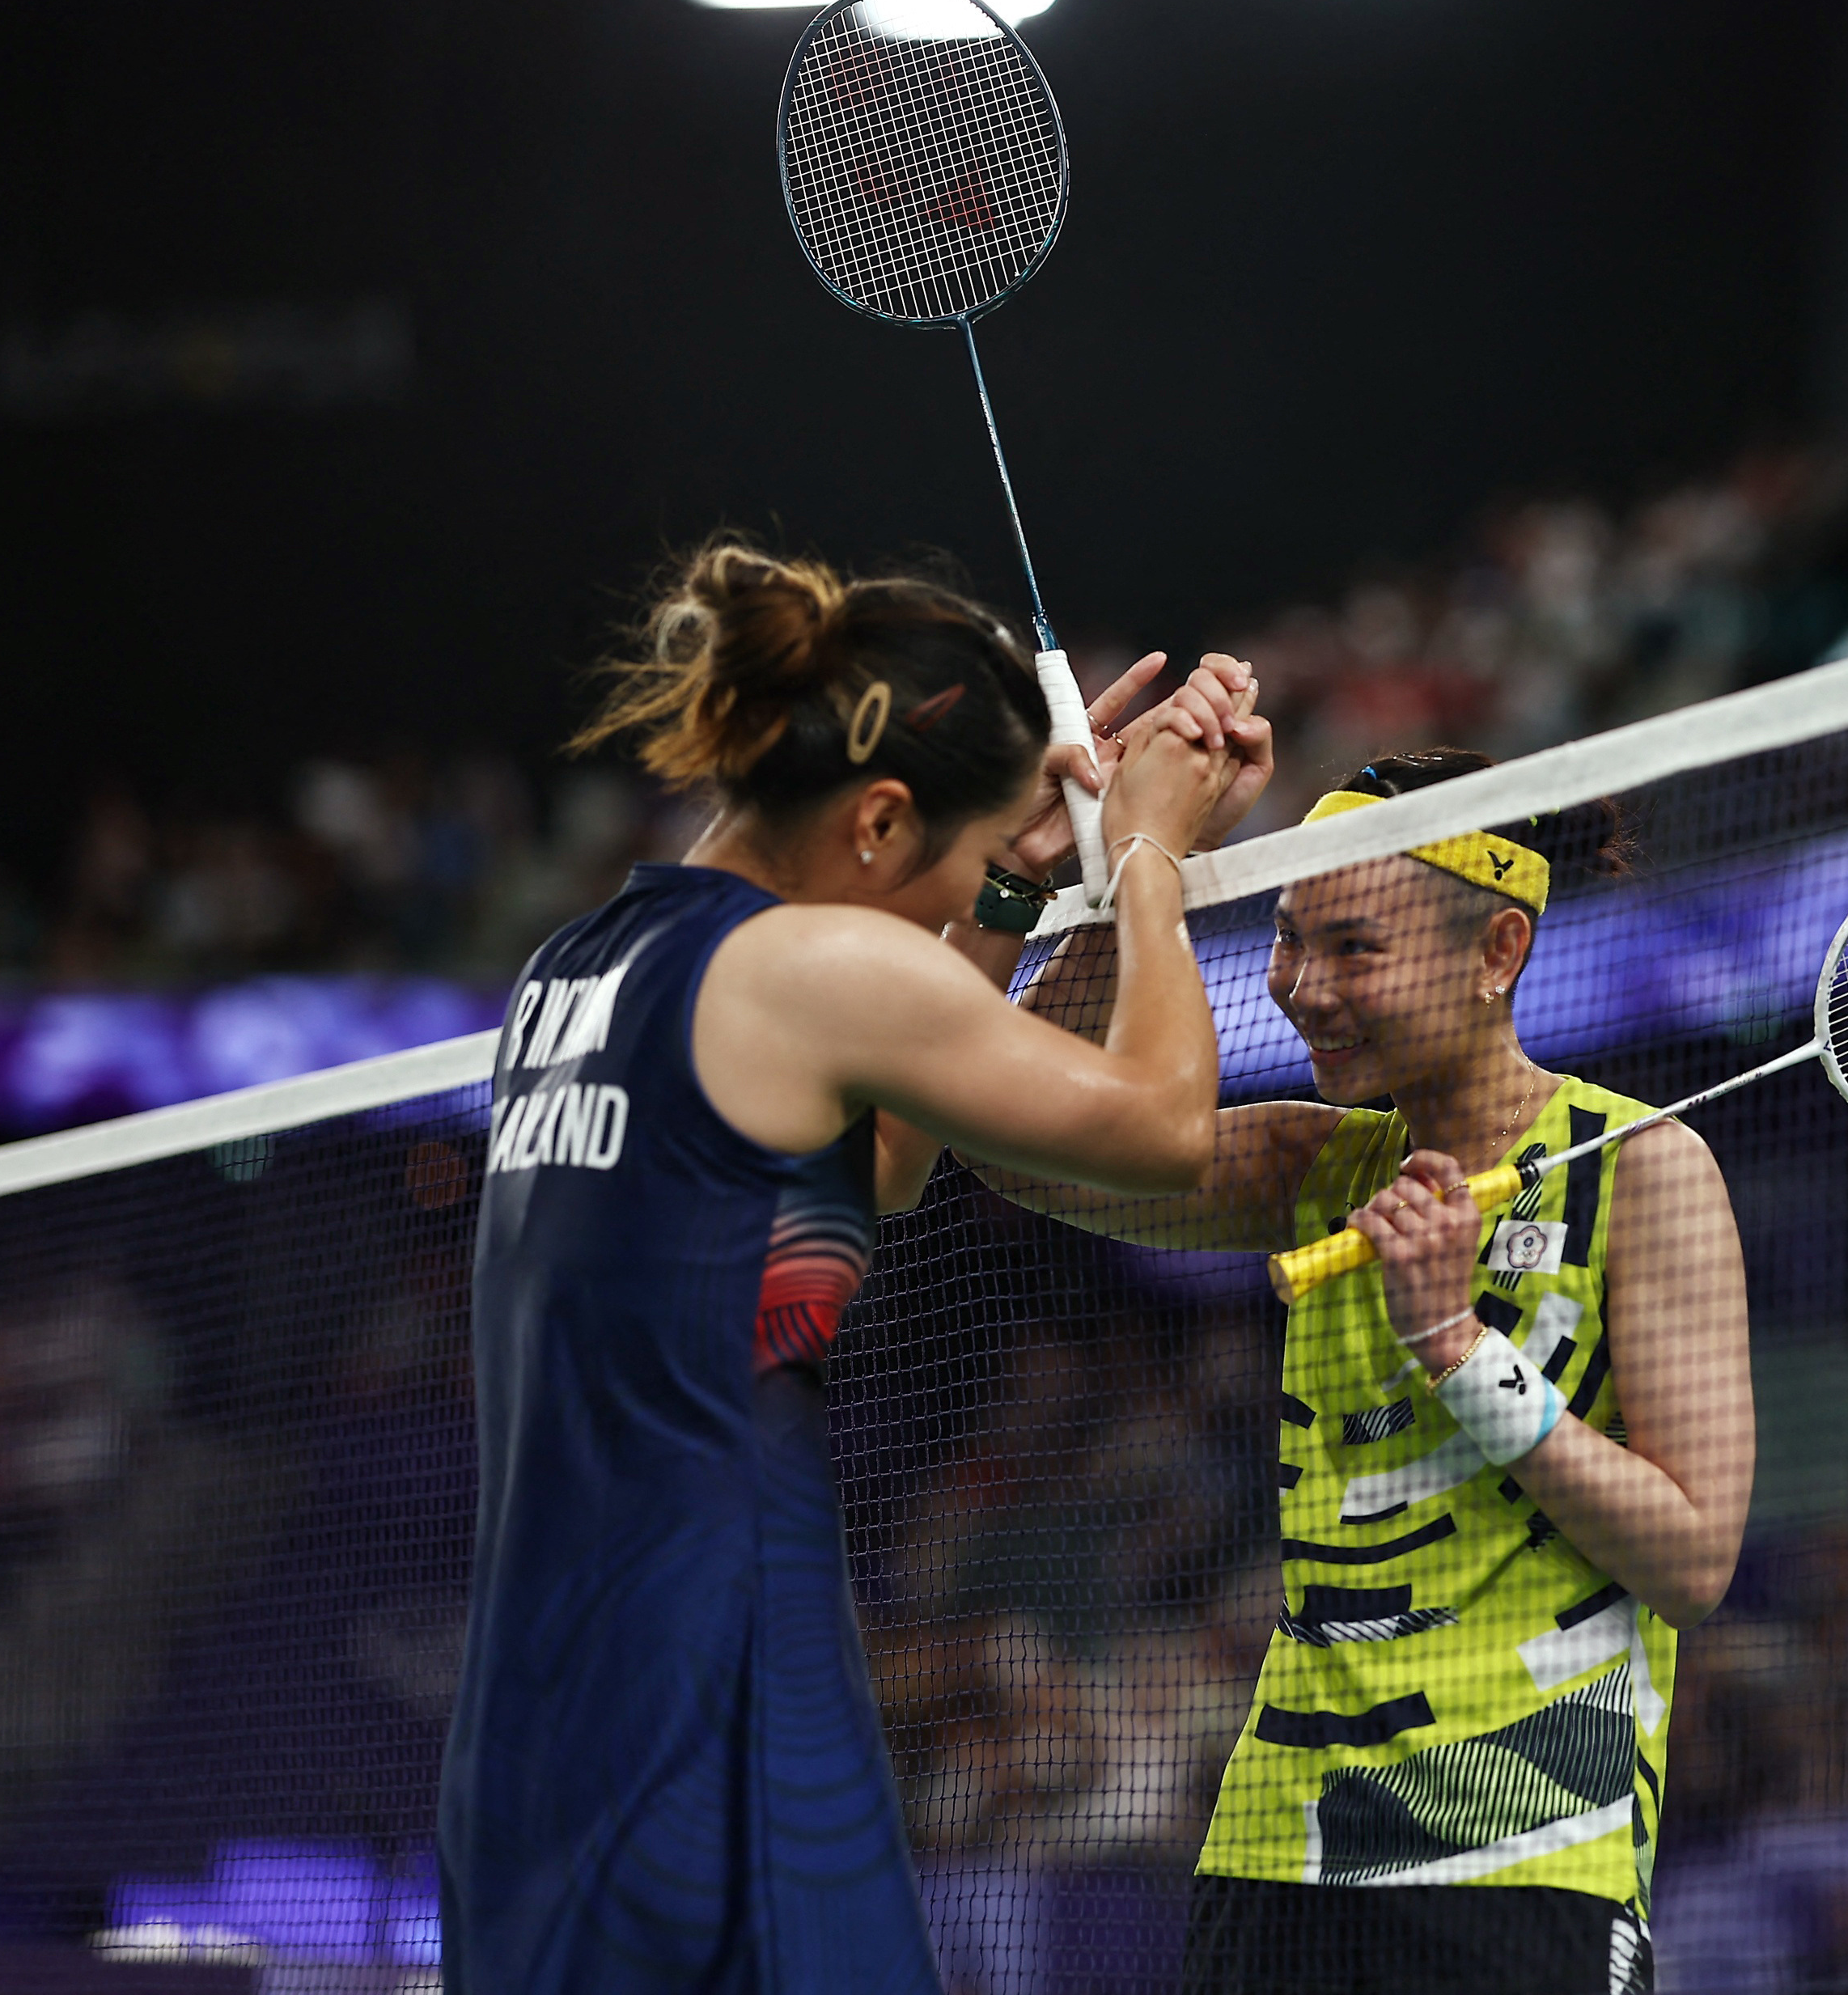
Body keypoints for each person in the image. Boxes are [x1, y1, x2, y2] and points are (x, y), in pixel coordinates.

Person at [437, 542, 1266, 1994]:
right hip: (714, 1694)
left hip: (544, 1723)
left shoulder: (579, 967)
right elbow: (1164, 1125)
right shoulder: (805, 968)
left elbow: (869, 1169)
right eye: (956, 858)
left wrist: (1004, 895)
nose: (965, 893)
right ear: (878, 820)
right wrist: (1144, 853)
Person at [957, 746, 1753, 1995]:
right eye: (1287, 939)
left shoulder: (1640, 1171)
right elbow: (1016, 1141)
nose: (1301, 989)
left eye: (1353, 949)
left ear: (1496, 952)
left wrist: (1454, 1345)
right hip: (1281, 1845)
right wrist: (1125, 874)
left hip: (1523, 1851)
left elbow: (1693, 1557)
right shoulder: (1310, 1167)